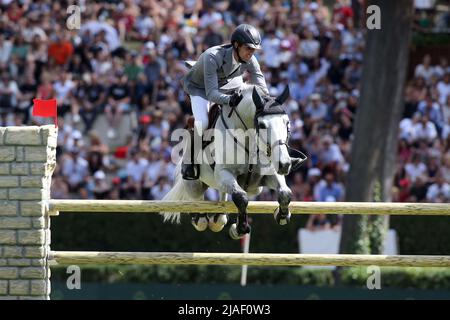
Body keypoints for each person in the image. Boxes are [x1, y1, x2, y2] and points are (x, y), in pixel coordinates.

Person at [180, 24, 269, 180]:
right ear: (236, 45)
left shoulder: (250, 59)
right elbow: (212, 93)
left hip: (227, 81)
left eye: (254, 49)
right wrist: (230, 100)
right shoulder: (212, 56)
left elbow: (260, 86)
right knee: (202, 122)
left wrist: (268, 104)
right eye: (248, 48)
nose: (251, 52)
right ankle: (189, 160)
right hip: (200, 88)